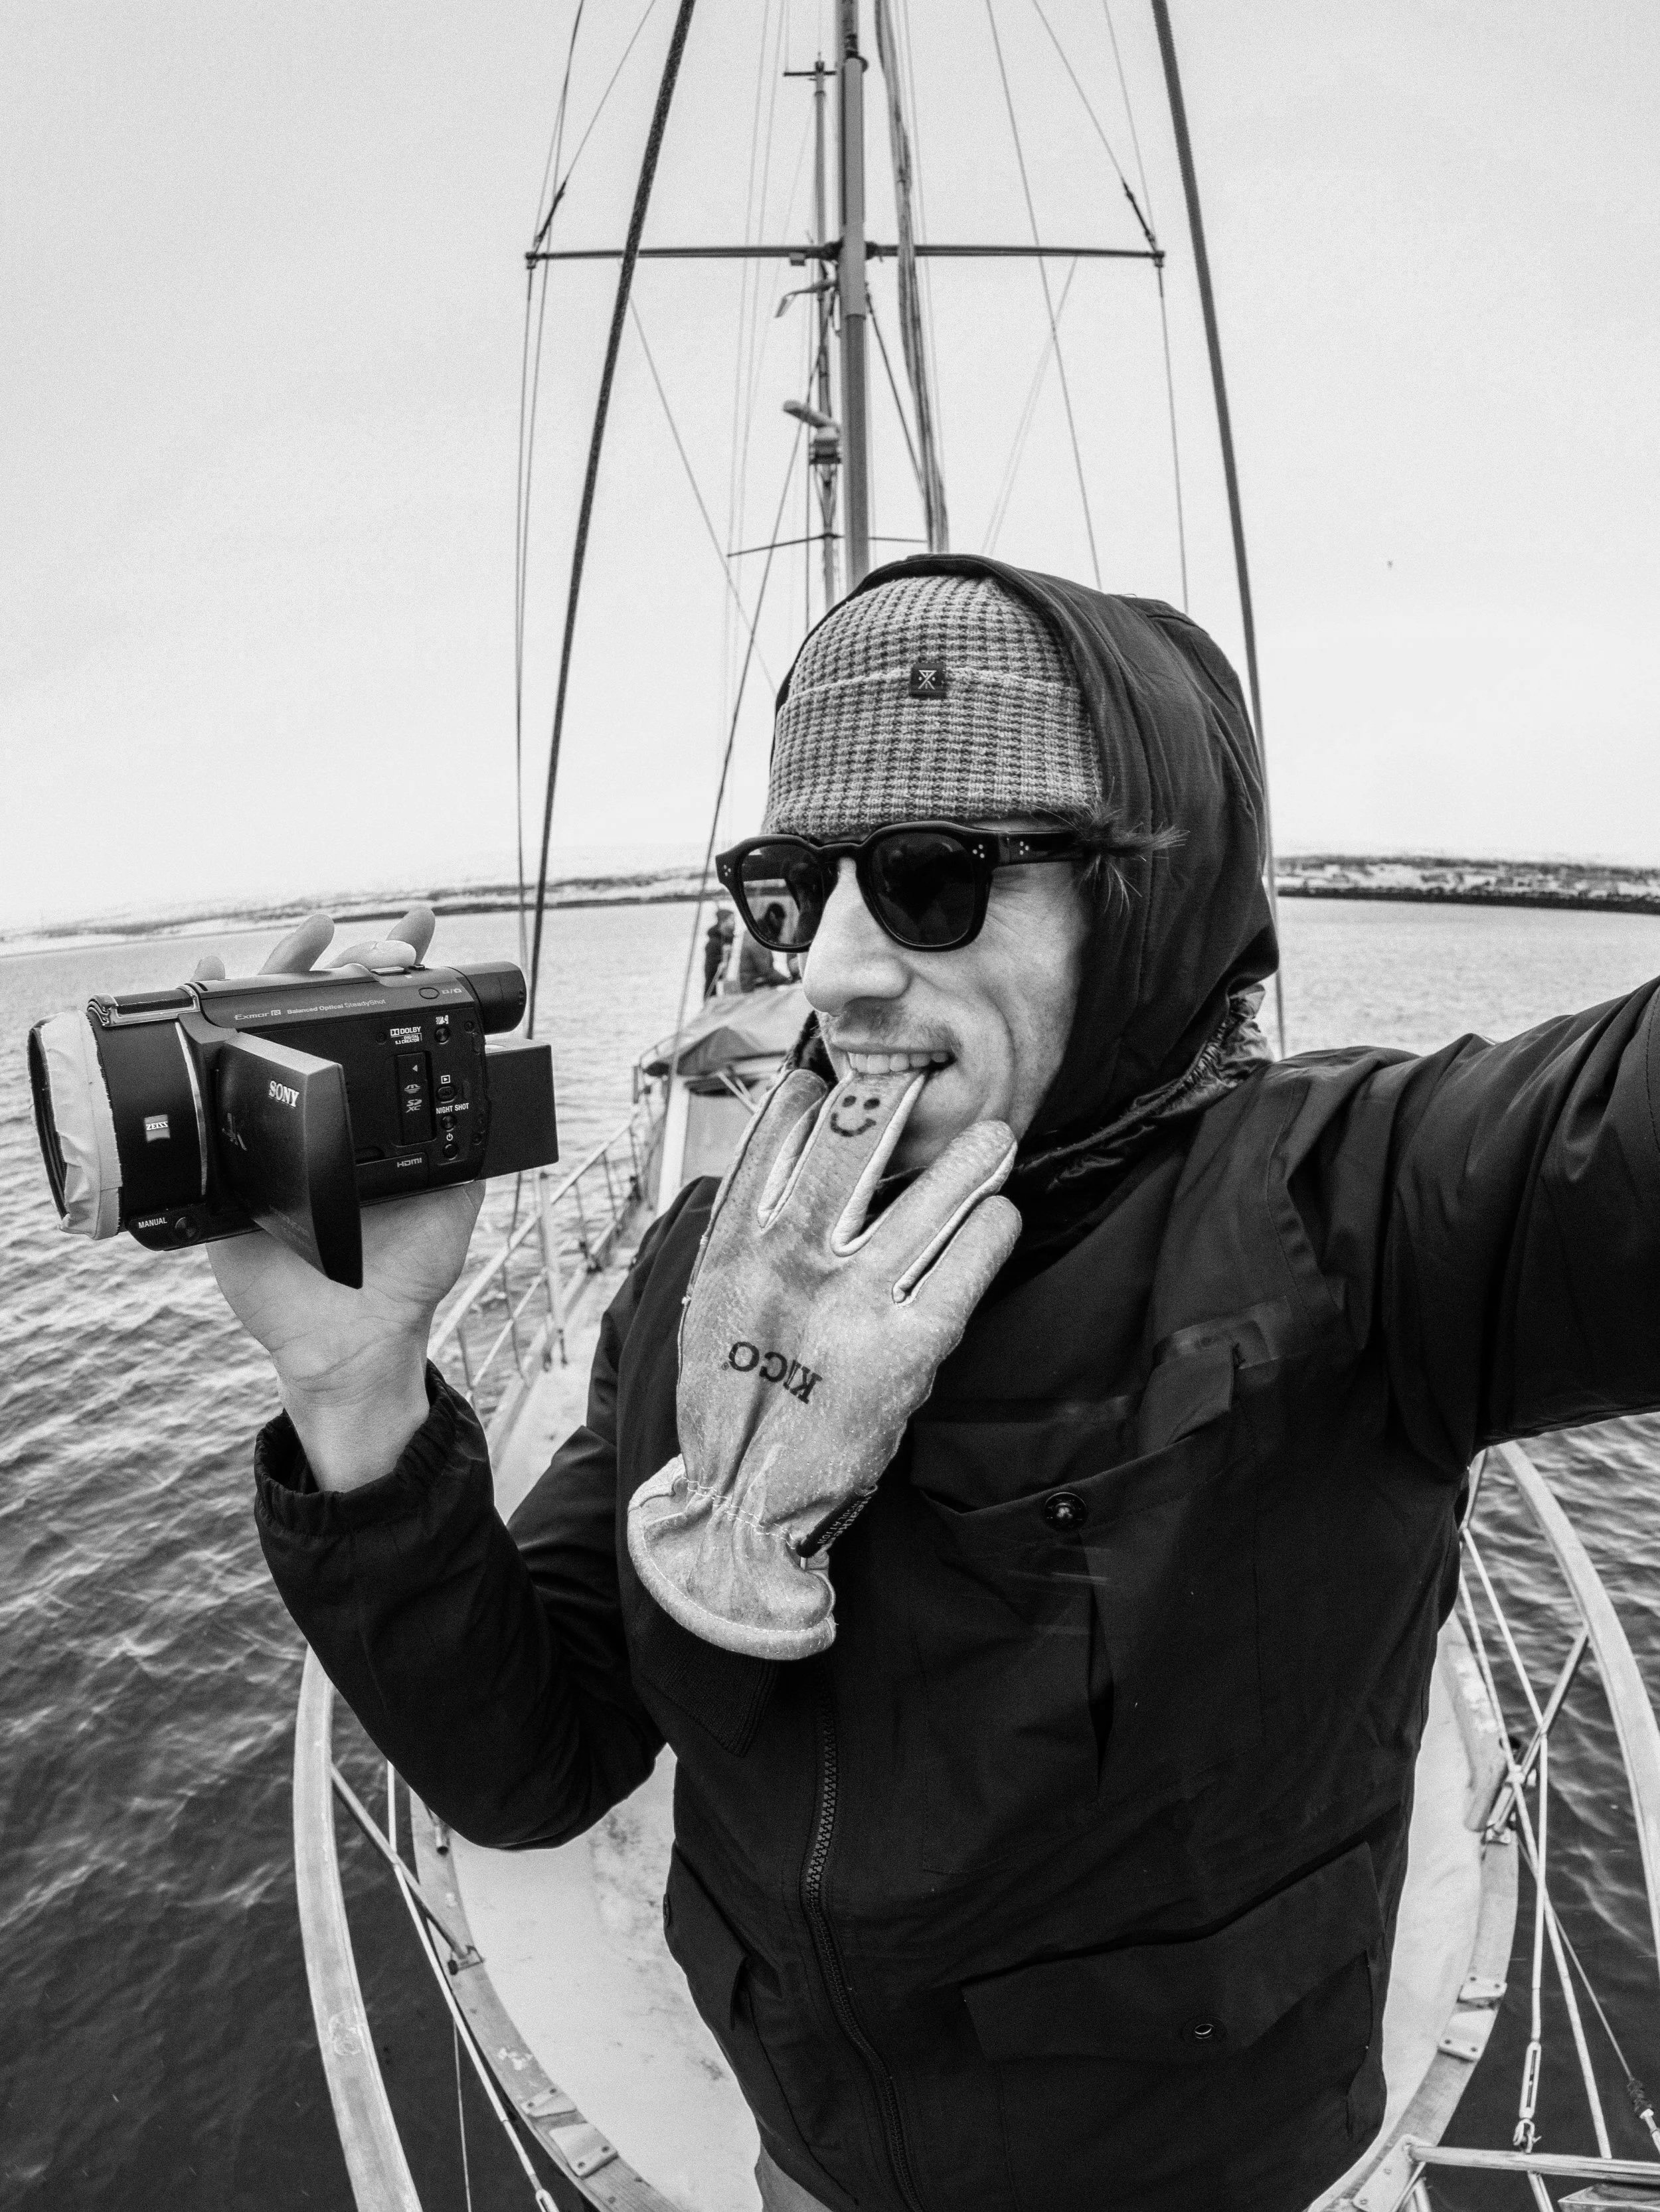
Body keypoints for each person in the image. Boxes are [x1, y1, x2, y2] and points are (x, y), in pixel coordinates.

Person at [220, 557, 1660, 2212]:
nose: (831, 970)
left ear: (1140, 895)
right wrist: (358, 1384)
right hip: (813, 2165)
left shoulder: (1345, 1220)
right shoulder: (705, 1254)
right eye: (795, 887)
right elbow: (530, 1761)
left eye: (926, 878)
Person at [738, 902, 792, 992]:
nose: (781, 927)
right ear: (773, 917)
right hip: (751, 991)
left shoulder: (757, 933)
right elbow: (766, 971)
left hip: (751, 987)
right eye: (780, 923)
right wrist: (787, 980)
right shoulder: (758, 938)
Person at [703, 905, 736, 998]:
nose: (734, 923)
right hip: (716, 992)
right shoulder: (713, 944)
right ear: (723, 922)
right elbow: (711, 974)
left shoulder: (731, 940)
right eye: (731, 920)